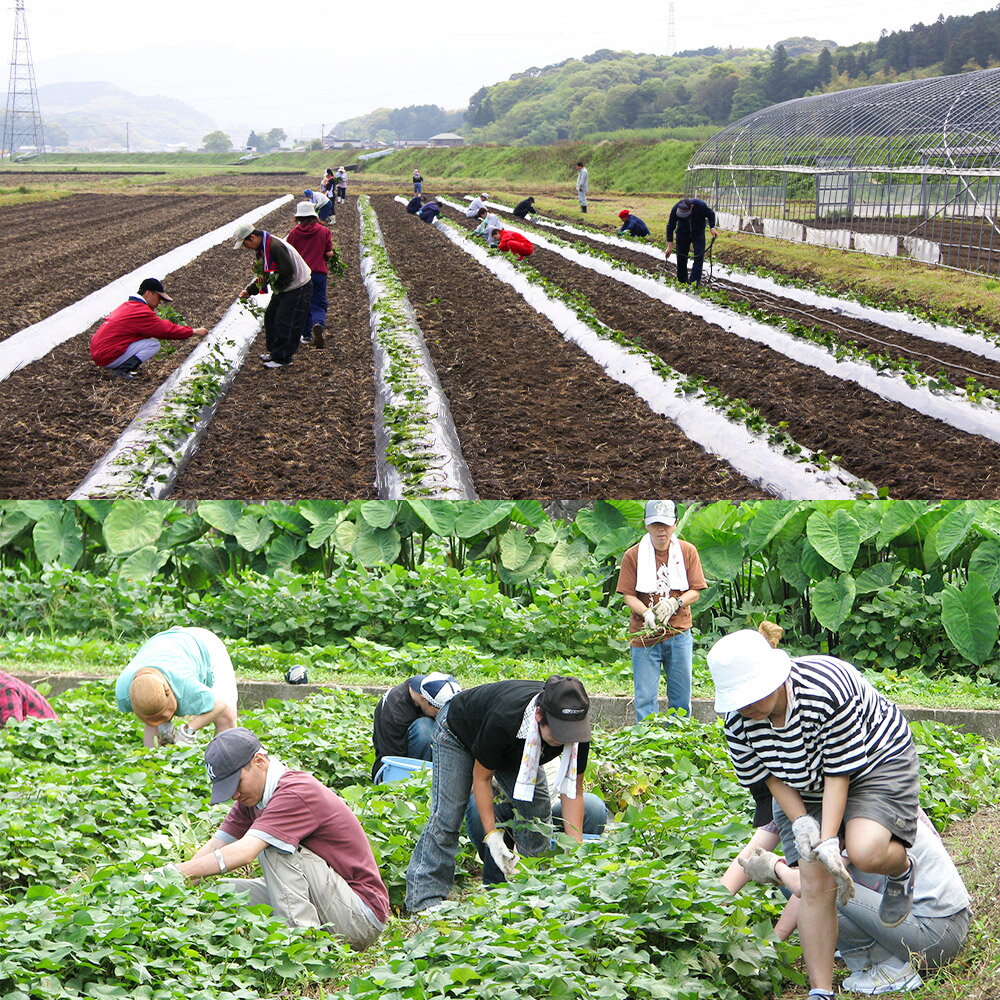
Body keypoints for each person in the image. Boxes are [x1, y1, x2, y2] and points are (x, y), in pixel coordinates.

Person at [707, 629, 923, 1000]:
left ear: (774, 677)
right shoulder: (738, 725)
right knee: (815, 875)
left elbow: (839, 773)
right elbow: (772, 777)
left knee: (864, 851)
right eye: (739, 701)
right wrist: (805, 826)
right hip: (802, 779)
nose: (747, 708)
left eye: (753, 696)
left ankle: (901, 869)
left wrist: (828, 840)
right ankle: (820, 990)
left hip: (876, 761)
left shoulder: (824, 689)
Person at [167, 728, 389, 950]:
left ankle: (304, 950)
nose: (234, 794)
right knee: (223, 892)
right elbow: (215, 846)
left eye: (237, 783)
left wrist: (180, 871)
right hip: (327, 900)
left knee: (274, 847)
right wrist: (170, 884)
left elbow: (245, 852)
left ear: (260, 761)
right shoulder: (252, 799)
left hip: (359, 917)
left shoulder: (295, 792)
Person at [405, 675, 593, 913]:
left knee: (536, 809)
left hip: (515, 743)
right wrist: (492, 835)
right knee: (448, 815)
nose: (564, 742)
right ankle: (424, 902)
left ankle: (531, 891)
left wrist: (575, 849)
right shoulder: (504, 718)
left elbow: (573, 791)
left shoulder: (576, 730)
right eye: (557, 736)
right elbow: (482, 779)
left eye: (570, 735)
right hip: (459, 730)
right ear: (539, 717)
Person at [738, 808, 971, 995]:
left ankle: (887, 967)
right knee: (809, 885)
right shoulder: (869, 803)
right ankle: (883, 956)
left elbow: (812, 887)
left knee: (819, 887)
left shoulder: (861, 822)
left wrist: (775, 868)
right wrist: (772, 944)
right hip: (946, 927)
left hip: (934, 938)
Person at [616, 499, 706, 722]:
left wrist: (676, 603)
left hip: (679, 633)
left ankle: (680, 736)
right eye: (655, 525)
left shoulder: (687, 551)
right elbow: (628, 595)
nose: (661, 530)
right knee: (645, 697)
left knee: (681, 696)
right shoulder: (633, 555)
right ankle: (647, 739)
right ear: (646, 525)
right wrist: (646, 612)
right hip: (644, 637)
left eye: (665, 525)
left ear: (675, 524)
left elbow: (695, 590)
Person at [464, 752, 608, 885]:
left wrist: (574, 847)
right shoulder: (493, 734)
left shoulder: (563, 734)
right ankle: (497, 880)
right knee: (477, 806)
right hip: (501, 810)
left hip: (550, 807)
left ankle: (566, 871)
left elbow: (572, 790)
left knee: (593, 807)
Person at [114, 626, 239, 747]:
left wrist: (188, 730)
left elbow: (221, 704)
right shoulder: (123, 690)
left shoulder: (184, 684)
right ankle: (154, 763)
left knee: (226, 717)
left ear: (169, 691)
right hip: (165, 643)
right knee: (151, 706)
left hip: (205, 645)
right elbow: (150, 712)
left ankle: (224, 762)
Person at [89, 278, 208, 378]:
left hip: (99, 353)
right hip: (107, 356)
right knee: (152, 344)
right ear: (148, 293)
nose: (159, 302)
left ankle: (121, 366)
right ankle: (123, 370)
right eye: (159, 298)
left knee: (145, 340)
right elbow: (166, 330)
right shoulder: (140, 312)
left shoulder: (128, 306)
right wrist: (193, 331)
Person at [233, 221, 313, 368]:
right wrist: (250, 290)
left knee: (286, 322)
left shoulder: (274, 246)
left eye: (245, 244)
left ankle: (283, 358)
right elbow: (266, 273)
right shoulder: (263, 247)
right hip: (284, 288)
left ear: (252, 238)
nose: (245, 248)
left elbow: (287, 271)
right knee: (271, 316)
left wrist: (278, 288)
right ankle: (274, 352)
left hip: (297, 286)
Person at [372, 672, 461, 781]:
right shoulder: (395, 711)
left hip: (431, 757)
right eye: (440, 712)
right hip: (394, 768)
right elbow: (393, 760)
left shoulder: (430, 686)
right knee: (424, 728)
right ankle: (425, 779)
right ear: (424, 699)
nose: (442, 716)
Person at [286, 200, 334, 348]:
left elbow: (289, 253)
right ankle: (318, 323)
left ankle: (306, 335)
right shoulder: (323, 231)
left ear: (298, 217)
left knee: (304, 304)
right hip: (319, 273)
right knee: (318, 303)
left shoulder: (293, 234)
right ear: (313, 215)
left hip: (301, 276)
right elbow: (329, 253)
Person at [665, 197, 718, 286]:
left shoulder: (700, 205)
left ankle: (694, 284)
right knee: (681, 258)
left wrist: (712, 228)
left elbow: (711, 214)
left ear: (692, 207)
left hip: (698, 233)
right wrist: (670, 245)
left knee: (699, 257)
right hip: (682, 233)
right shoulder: (675, 208)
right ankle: (682, 282)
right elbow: (670, 226)